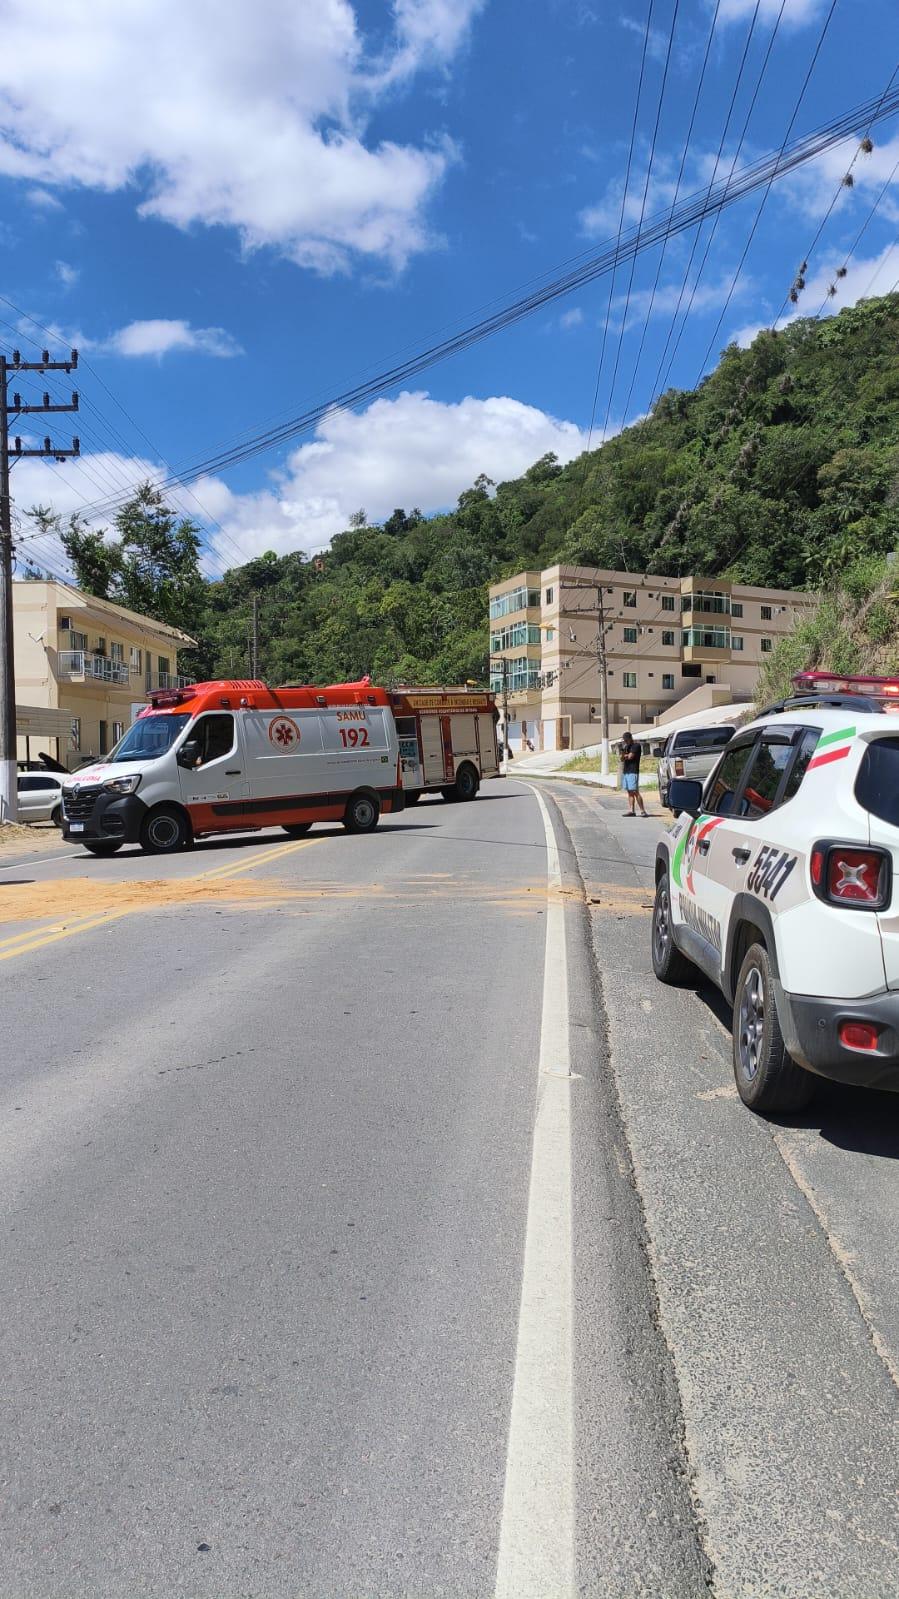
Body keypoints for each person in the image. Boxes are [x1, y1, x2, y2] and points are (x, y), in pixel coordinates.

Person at [619, 730, 647, 817]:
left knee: (635, 791)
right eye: (624, 740)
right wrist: (623, 753)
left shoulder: (636, 746)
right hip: (626, 771)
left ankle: (643, 811)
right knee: (629, 792)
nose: (625, 741)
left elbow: (631, 756)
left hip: (633, 771)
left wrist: (626, 755)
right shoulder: (626, 747)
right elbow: (621, 759)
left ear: (630, 738)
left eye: (626, 740)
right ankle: (631, 811)